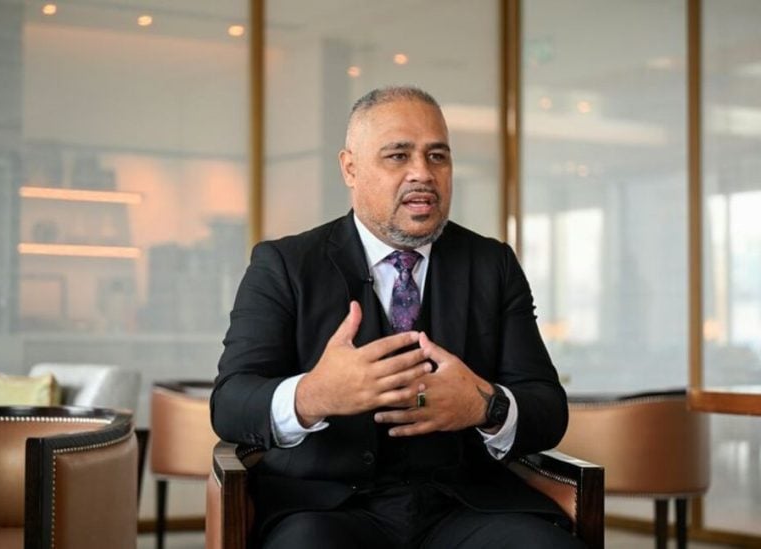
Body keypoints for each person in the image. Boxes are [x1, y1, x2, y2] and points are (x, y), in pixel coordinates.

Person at [211, 86, 585, 548]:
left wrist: (485, 406)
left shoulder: (493, 265)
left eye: (437, 157)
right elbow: (230, 402)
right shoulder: (284, 265)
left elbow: (547, 407)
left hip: (465, 508)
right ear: (350, 168)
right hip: (327, 510)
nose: (422, 174)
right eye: (397, 156)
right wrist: (314, 394)